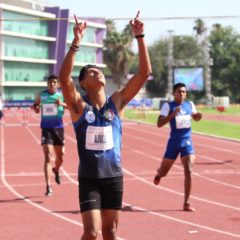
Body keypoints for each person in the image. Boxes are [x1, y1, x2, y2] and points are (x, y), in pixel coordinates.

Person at [59, 11, 151, 240]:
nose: (96, 72)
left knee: (110, 233)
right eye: (90, 72)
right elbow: (63, 78)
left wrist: (140, 37)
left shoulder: (117, 103)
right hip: (90, 178)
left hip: (114, 177)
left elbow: (144, 73)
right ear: (83, 83)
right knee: (92, 233)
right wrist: (76, 43)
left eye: (98, 70)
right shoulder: (79, 107)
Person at [153, 82, 202, 212]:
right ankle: (159, 173)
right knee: (164, 172)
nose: (182, 94)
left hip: (187, 142)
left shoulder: (189, 105)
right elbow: (159, 124)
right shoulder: (168, 106)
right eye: (179, 91)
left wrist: (198, 117)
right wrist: (172, 114)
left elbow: (195, 118)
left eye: (184, 91)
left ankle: (186, 202)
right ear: (174, 93)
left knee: (189, 171)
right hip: (173, 143)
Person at [33, 75, 67, 196]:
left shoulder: (62, 95)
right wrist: (36, 108)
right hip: (46, 129)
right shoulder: (41, 95)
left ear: (58, 85)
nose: (52, 84)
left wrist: (61, 103)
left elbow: (72, 107)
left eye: (55, 82)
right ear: (47, 84)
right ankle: (48, 186)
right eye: (50, 82)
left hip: (58, 129)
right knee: (47, 156)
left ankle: (56, 170)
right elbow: (35, 105)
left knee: (61, 156)